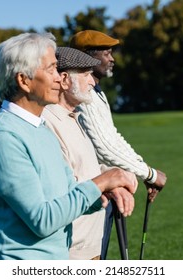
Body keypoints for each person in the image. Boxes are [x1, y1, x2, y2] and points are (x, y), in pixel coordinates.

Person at [0, 32, 138, 260]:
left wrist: (104, 193)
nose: (59, 78)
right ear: (24, 81)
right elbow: (42, 219)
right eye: (51, 69)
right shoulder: (3, 136)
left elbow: (68, 192)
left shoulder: (39, 128)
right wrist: (101, 182)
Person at [69, 30, 168, 259]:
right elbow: (104, 147)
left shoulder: (96, 92)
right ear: (87, 57)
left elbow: (113, 137)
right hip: (90, 191)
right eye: (107, 53)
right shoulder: (83, 94)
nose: (112, 58)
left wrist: (142, 168)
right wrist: (149, 174)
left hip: (105, 186)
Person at [42, 47, 135, 260]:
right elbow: (62, 186)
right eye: (85, 75)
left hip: (92, 243)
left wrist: (113, 177)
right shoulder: (48, 122)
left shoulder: (76, 117)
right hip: (71, 249)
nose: (92, 82)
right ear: (64, 79)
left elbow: (85, 168)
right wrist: (108, 181)